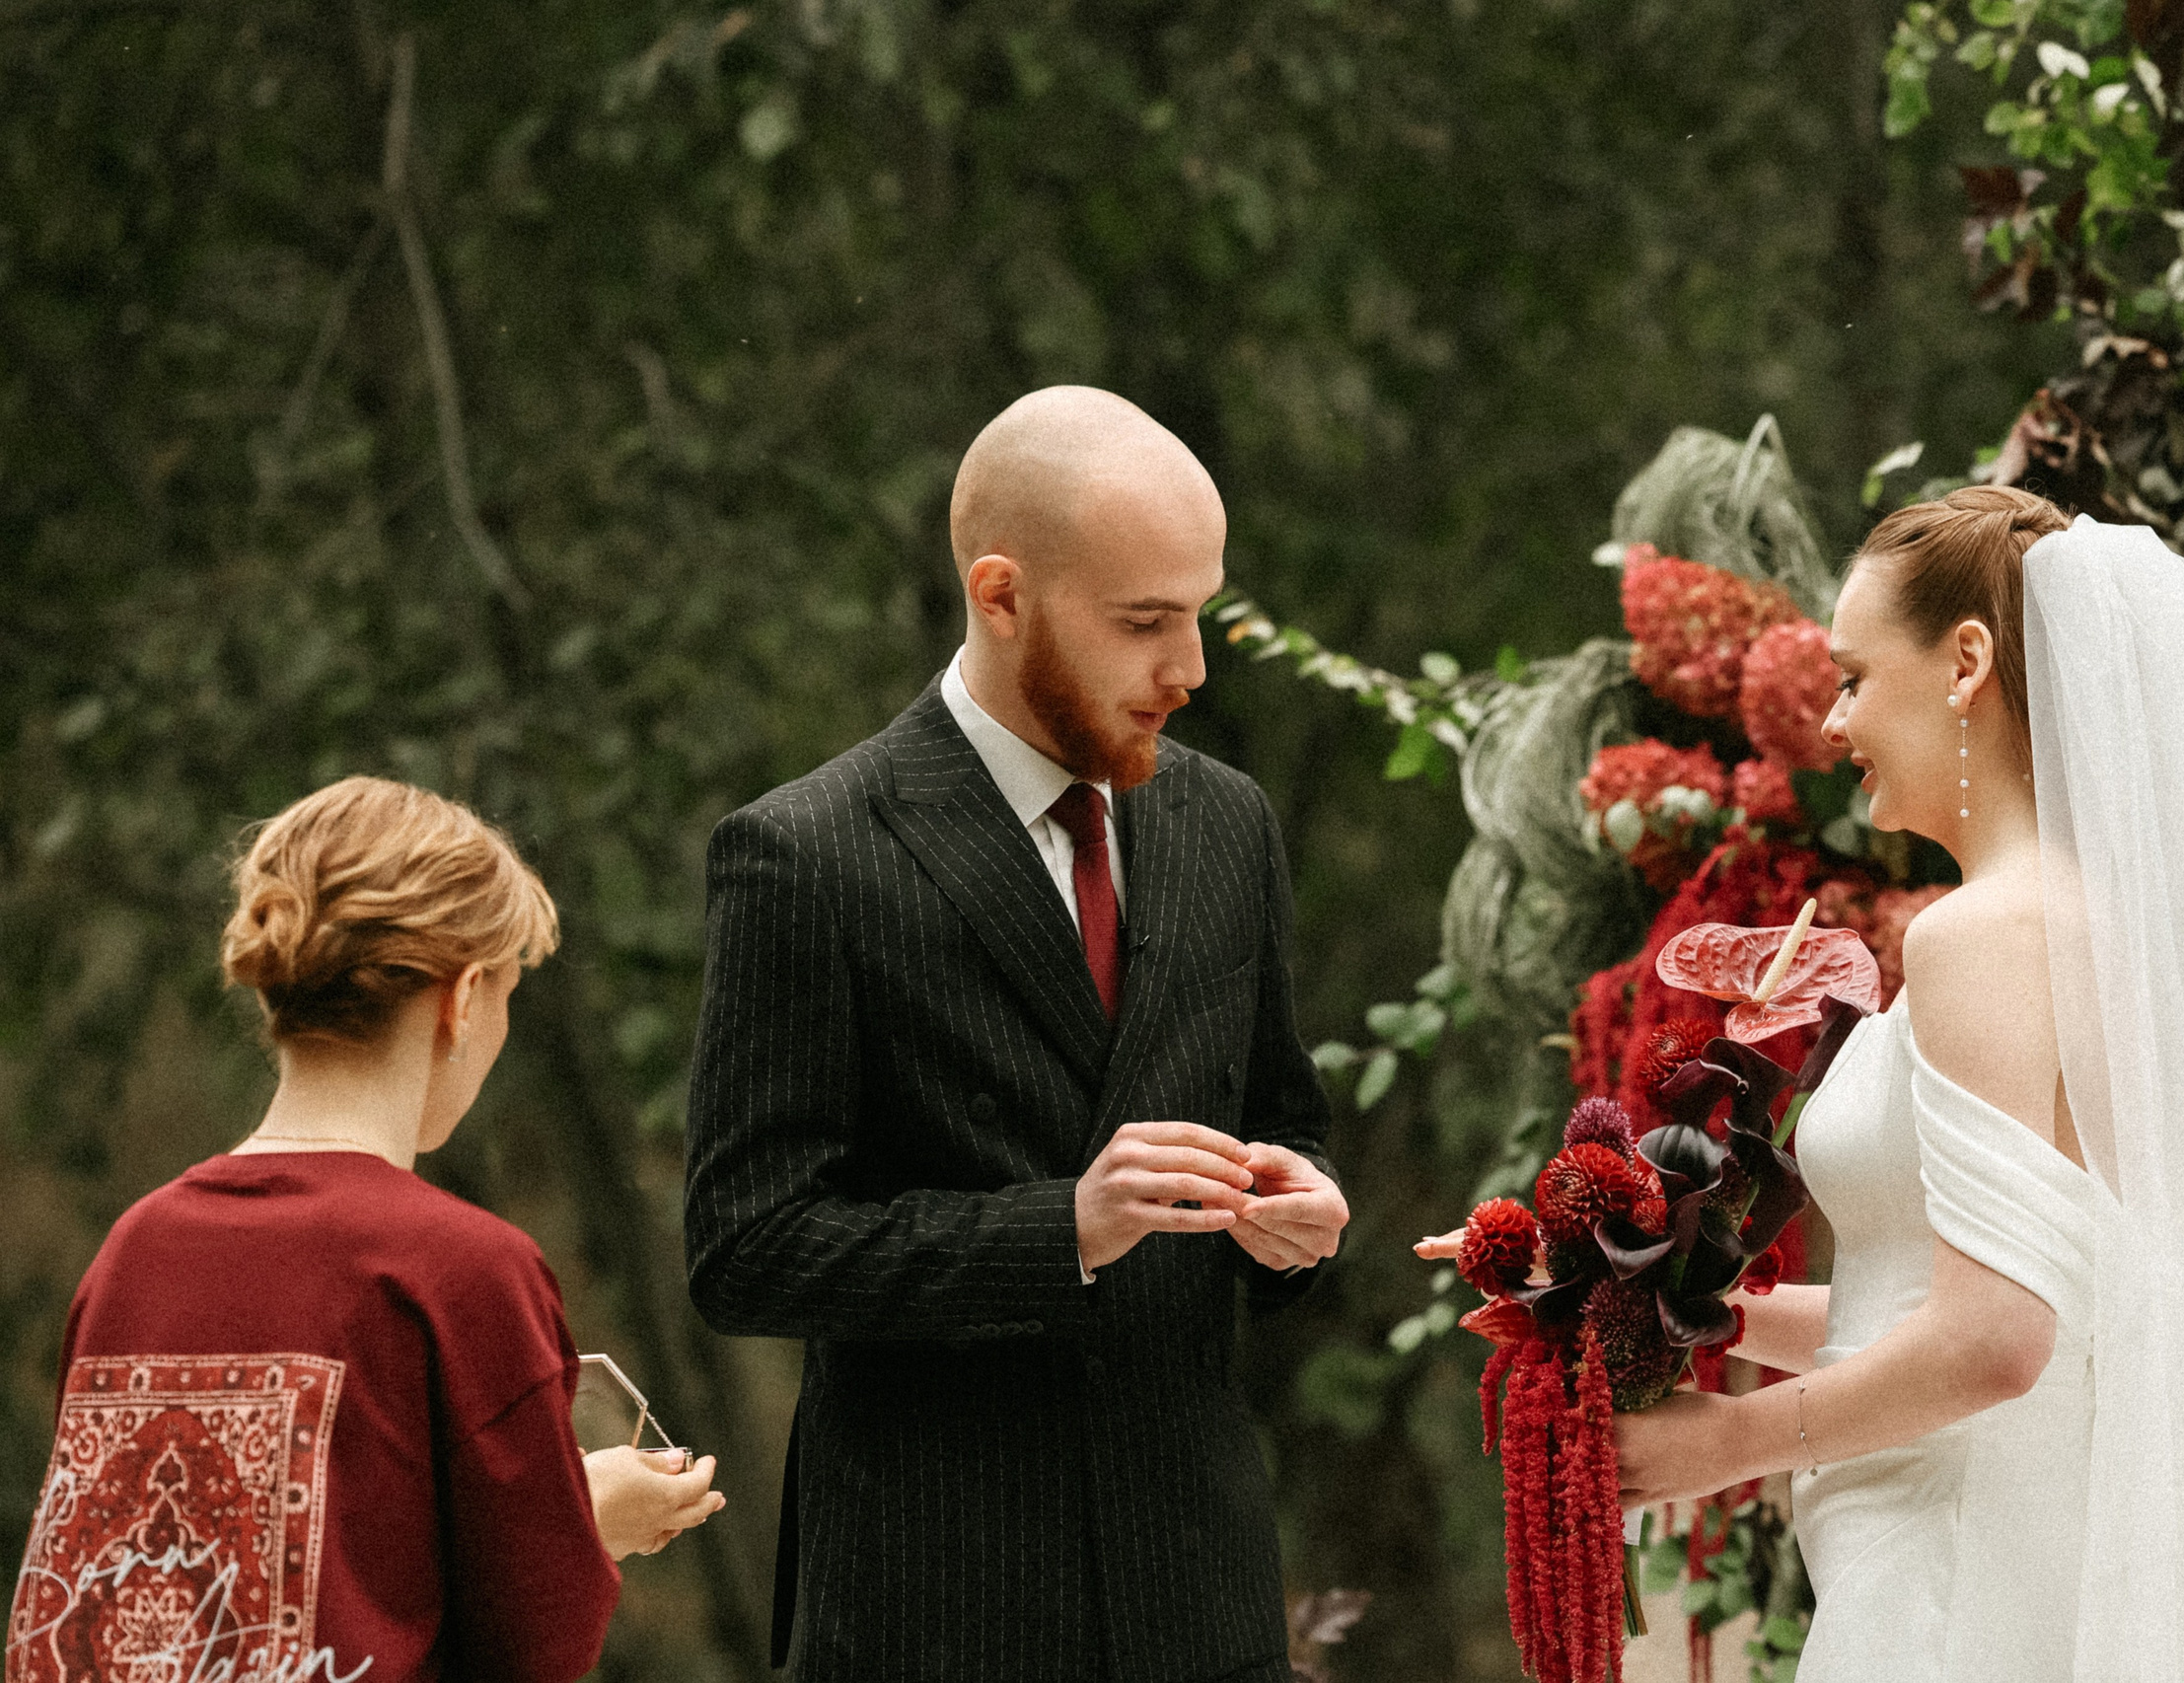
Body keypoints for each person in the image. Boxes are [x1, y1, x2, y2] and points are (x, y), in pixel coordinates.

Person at [1609, 488, 2184, 1681]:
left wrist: (1731, 1440)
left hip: (1964, 1568)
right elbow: (1990, 1305)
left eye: (1855, 677)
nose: (1837, 721)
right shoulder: (2108, 929)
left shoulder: (1982, 937)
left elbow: (1992, 1342)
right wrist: (1663, 1297)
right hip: (2034, 1538)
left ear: (1964, 662)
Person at [683, 385, 1349, 1682]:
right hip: (935, 1615)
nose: (1191, 669)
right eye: (1143, 622)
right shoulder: (805, 854)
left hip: (1201, 1606)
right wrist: (1061, 1232)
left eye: (1199, 613)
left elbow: (1284, 1118)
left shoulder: (1228, 824)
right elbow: (745, 1248)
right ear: (1000, 595)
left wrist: (1298, 1213)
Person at [5, 776, 723, 1683]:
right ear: (464, 999)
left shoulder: (135, 1252)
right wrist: (584, 1524)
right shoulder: (466, 1271)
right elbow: (531, 1645)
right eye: (508, 992)